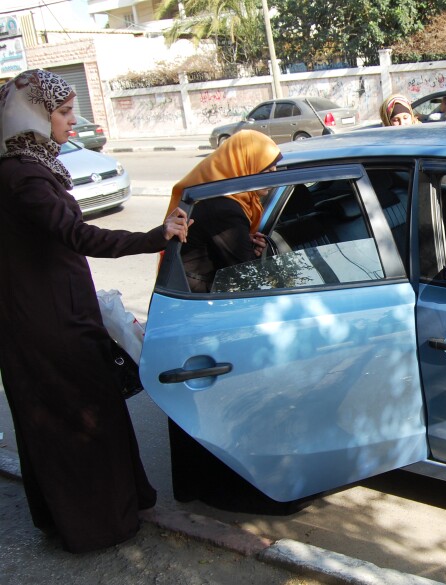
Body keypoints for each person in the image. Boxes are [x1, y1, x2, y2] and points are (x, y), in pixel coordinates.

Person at [0, 69, 191, 553]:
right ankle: (97, 525)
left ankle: (82, 516)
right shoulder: (23, 174)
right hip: (50, 324)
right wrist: (155, 237)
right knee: (81, 420)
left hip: (39, 314)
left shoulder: (23, 166)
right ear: (34, 116)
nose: (72, 123)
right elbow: (78, 236)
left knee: (65, 418)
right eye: (62, 113)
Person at [164, 129, 281, 293]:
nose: (274, 177)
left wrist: (246, 245)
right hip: (196, 297)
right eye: (268, 170)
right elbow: (248, 274)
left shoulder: (229, 197)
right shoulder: (224, 208)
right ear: (245, 165)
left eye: (275, 169)